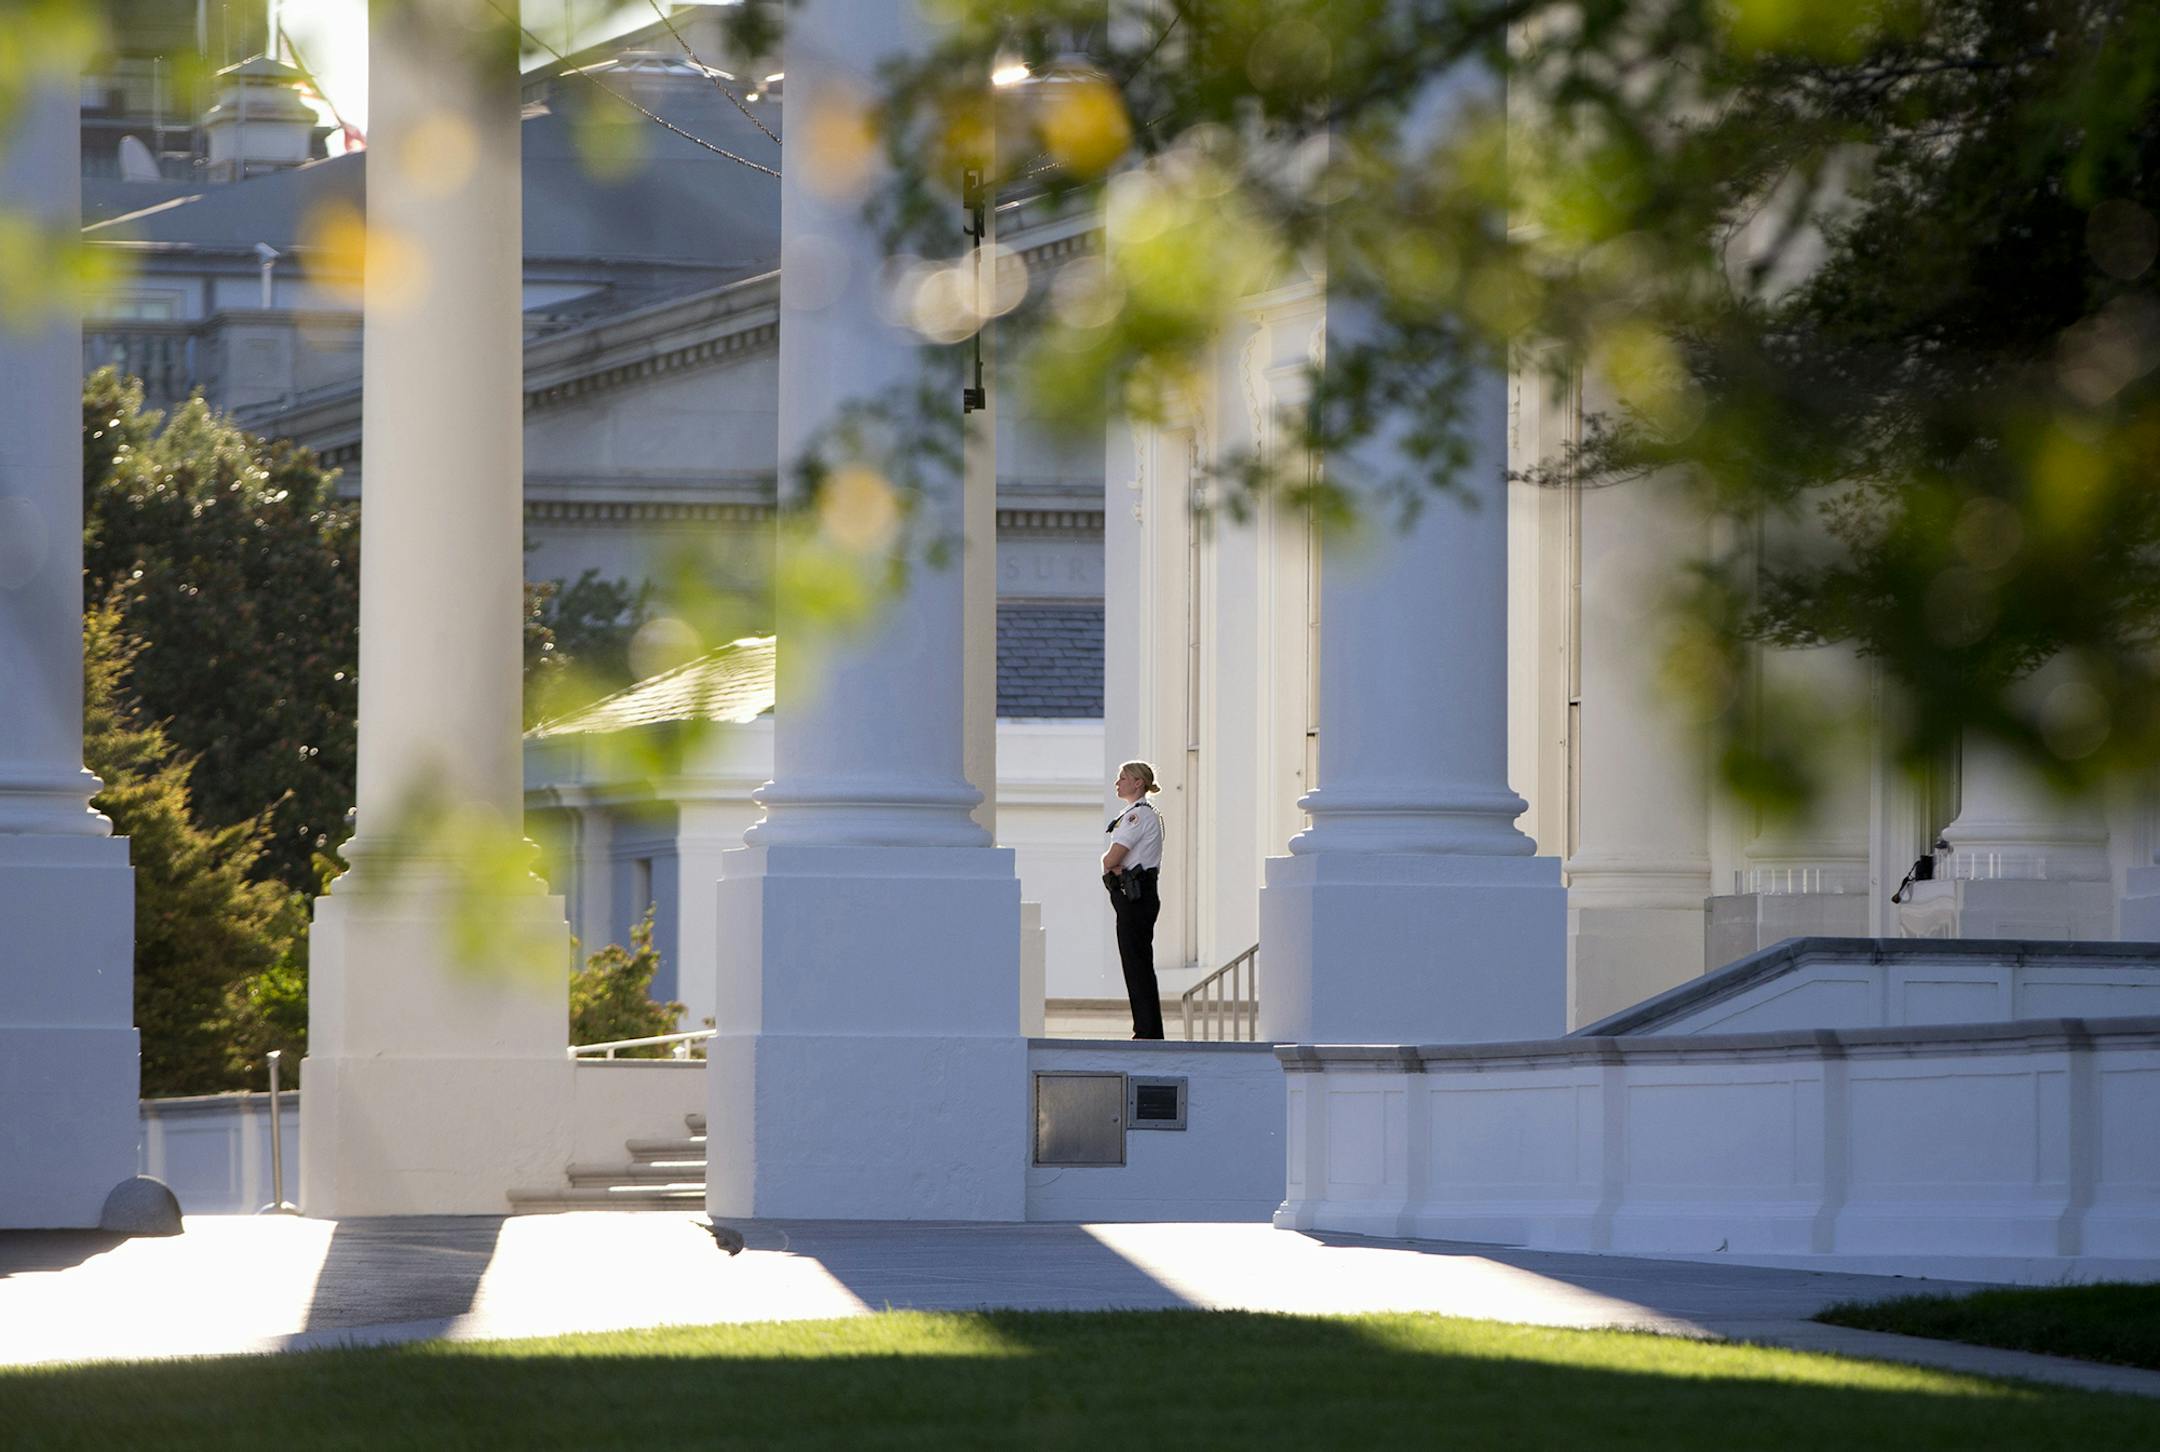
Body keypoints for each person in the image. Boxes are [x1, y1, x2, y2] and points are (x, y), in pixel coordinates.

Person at [1102, 759, 1166, 1039]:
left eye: (1123, 777)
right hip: (1137, 893)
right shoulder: (1140, 814)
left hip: (1135, 894)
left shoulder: (1136, 816)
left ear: (1138, 782)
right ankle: (1147, 1028)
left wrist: (1109, 862)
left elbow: (1112, 857)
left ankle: (1147, 1030)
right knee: (1137, 962)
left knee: (1136, 963)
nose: (1118, 783)